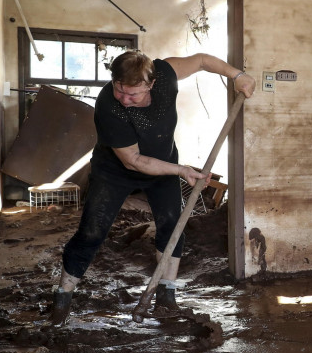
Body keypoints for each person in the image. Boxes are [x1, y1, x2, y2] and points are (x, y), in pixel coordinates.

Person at [50, 50, 256, 326]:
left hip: (162, 166)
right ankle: (63, 297)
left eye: (132, 94)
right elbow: (133, 161)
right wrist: (183, 170)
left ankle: (166, 298)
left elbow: (203, 61)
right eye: (119, 89)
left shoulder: (165, 74)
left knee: (173, 225)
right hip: (114, 172)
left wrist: (237, 76)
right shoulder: (109, 105)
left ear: (151, 83)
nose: (124, 98)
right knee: (92, 230)